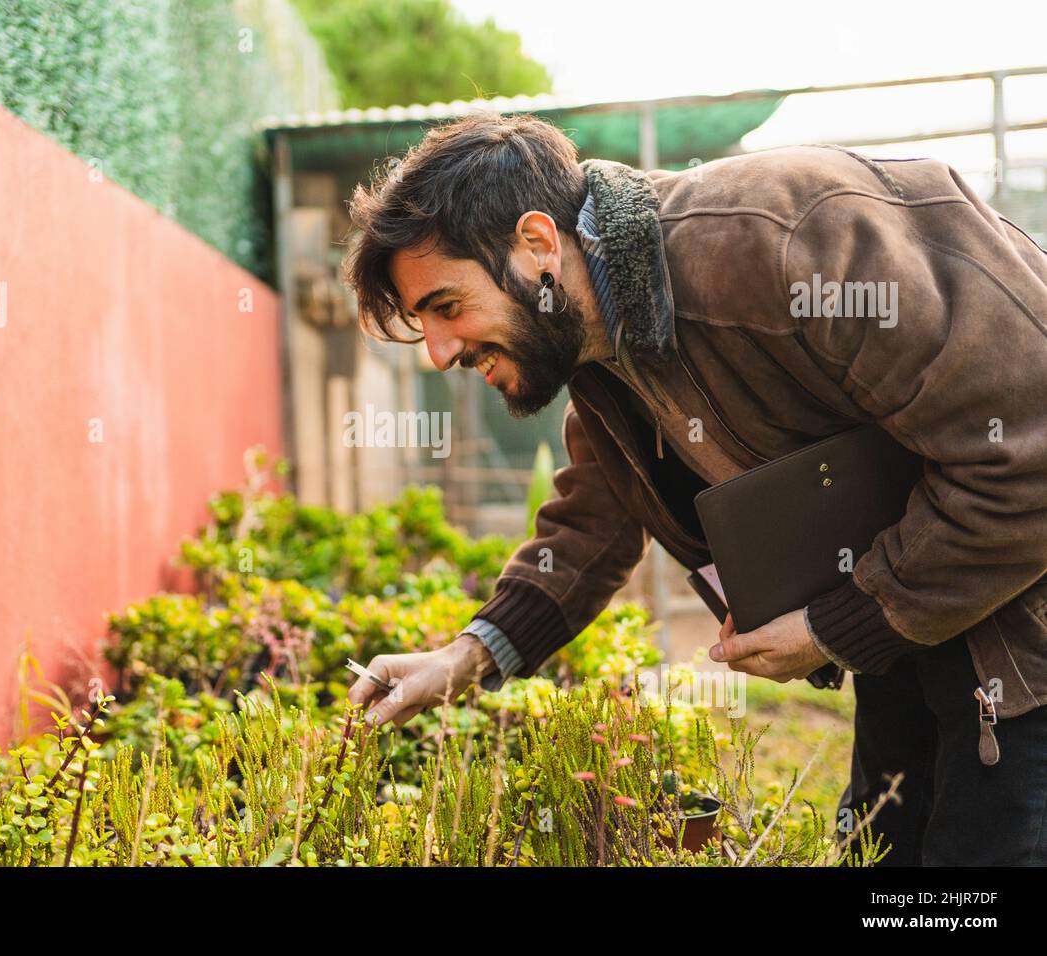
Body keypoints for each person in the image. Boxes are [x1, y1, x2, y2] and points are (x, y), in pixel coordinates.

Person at [341, 112, 1047, 865]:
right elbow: (591, 523)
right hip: (918, 642)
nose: (442, 351)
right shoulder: (607, 352)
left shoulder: (785, 238)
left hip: (1023, 647)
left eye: (447, 307)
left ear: (539, 244)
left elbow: (1027, 454)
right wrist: (466, 658)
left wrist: (831, 628)